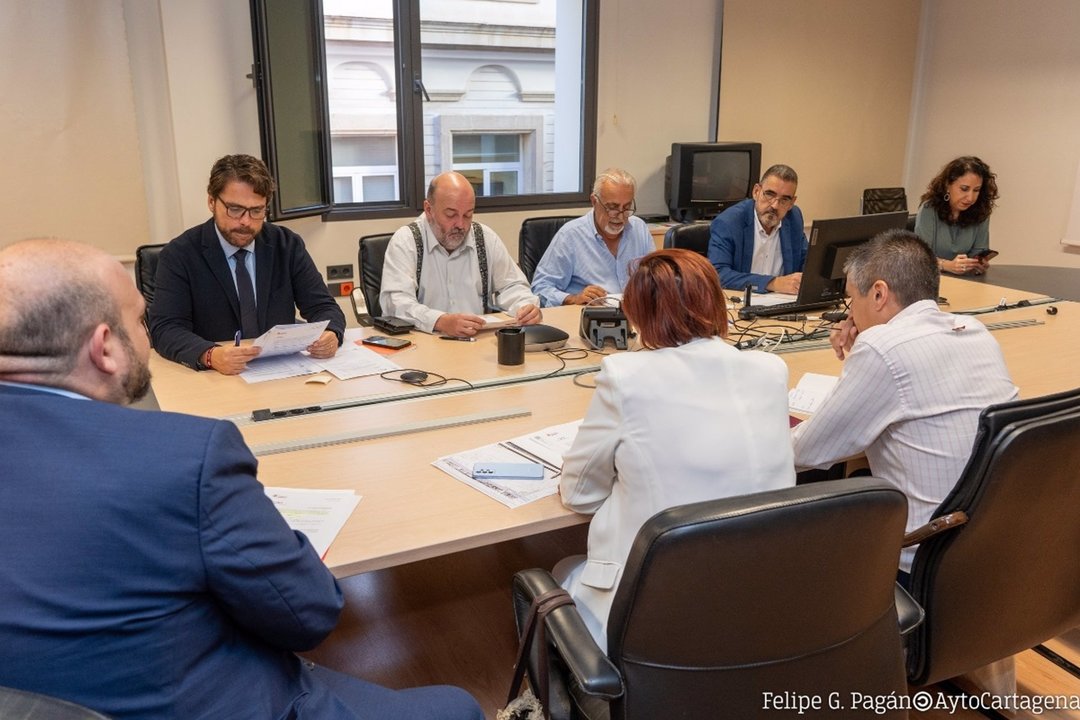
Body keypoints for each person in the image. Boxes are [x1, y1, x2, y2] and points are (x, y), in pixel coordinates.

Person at [0, 237, 483, 720]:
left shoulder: (283, 247)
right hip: (212, 701)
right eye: (138, 322)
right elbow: (309, 614)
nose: (146, 337)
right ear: (105, 347)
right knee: (459, 705)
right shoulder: (185, 457)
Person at [556, 249, 796, 650]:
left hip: (652, 608)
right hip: (757, 598)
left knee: (564, 570)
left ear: (641, 316)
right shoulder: (770, 370)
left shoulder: (626, 376)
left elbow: (580, 495)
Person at [791, 229, 1017, 578]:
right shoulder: (974, 331)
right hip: (988, 548)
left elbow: (807, 452)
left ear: (878, 293)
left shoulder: (883, 348)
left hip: (923, 558)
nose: (850, 313)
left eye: (852, 299)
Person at [150, 154, 346, 374]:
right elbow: (166, 328)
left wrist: (332, 334)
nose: (245, 221)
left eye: (257, 211)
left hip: (278, 370)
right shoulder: (180, 254)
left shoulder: (286, 245)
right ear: (212, 202)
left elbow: (323, 307)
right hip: (214, 376)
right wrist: (210, 355)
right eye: (235, 209)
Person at [380, 171, 542, 336]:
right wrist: (439, 321)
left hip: (478, 342)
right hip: (424, 344)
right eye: (451, 215)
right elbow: (395, 303)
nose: (460, 225)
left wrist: (525, 306)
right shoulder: (406, 241)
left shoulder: (484, 238)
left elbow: (511, 285)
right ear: (429, 210)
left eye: (468, 215)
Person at [530, 168, 655, 307]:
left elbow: (656, 280)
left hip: (636, 316)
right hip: (586, 319)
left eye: (626, 207)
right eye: (612, 207)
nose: (620, 216)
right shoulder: (570, 235)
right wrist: (574, 299)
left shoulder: (639, 229)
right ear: (594, 201)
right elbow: (540, 289)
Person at [707, 164, 808, 293]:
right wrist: (772, 283)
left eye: (784, 200)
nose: (775, 205)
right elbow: (718, 275)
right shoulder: (729, 222)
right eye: (769, 195)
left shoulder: (794, 218)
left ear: (791, 203)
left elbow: (807, 263)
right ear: (756, 192)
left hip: (783, 304)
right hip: (740, 304)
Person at [914, 155, 1000, 275]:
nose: (970, 198)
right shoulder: (929, 209)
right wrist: (946, 265)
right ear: (947, 185)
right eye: (964, 189)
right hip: (931, 279)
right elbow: (920, 257)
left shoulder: (981, 211)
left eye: (976, 190)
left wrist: (977, 264)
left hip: (964, 281)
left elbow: (978, 252)